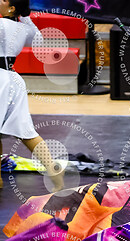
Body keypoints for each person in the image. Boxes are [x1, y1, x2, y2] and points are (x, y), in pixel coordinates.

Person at [0, 0, 64, 191]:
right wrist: (26, 16)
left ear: (11, 8)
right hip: (13, 80)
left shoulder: (2, 25)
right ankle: (53, 169)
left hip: (1, 79)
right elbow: (38, 40)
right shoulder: (24, 28)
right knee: (26, 131)